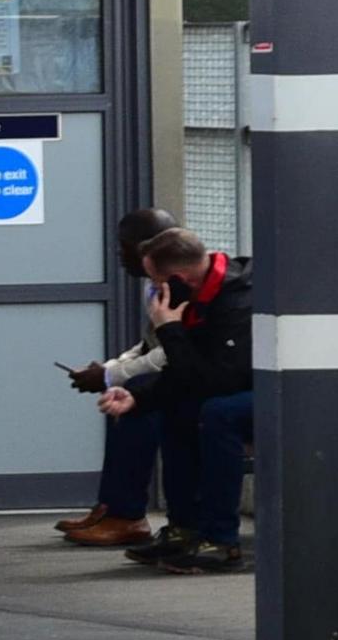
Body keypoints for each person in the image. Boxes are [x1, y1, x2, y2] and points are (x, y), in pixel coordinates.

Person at [96, 227, 254, 574]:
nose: (153, 290)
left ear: (178, 279)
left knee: (217, 412)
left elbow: (218, 382)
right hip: (228, 385)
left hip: (279, 394)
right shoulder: (194, 298)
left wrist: (169, 329)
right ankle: (185, 527)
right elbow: (185, 375)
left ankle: (222, 540)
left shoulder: (238, 300)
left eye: (155, 281)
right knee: (175, 407)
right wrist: (136, 397)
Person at [57, 206, 183, 549]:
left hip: (199, 381)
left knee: (138, 396)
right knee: (125, 389)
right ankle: (111, 507)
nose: (118, 253)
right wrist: (112, 369)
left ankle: (128, 517)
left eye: (124, 245)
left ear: (147, 251)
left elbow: (172, 353)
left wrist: (112, 374)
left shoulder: (181, 286)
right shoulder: (154, 285)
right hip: (179, 376)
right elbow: (150, 342)